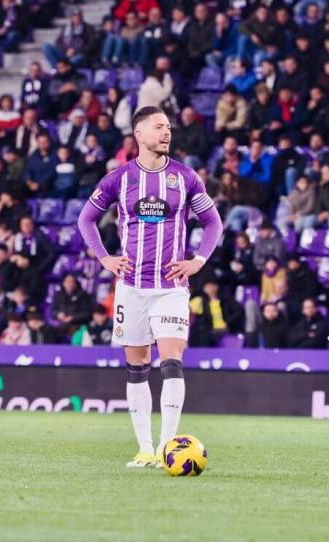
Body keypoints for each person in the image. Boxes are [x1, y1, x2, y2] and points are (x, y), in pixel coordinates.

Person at [77, 106, 223, 469]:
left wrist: (198, 261)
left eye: (169, 127)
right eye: (158, 127)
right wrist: (105, 258)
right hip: (131, 287)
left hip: (171, 286)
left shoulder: (186, 178)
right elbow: (86, 219)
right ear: (138, 134)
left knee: (172, 362)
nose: (166, 132)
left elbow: (213, 222)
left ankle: (165, 447)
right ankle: (144, 448)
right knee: (137, 367)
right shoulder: (119, 179)